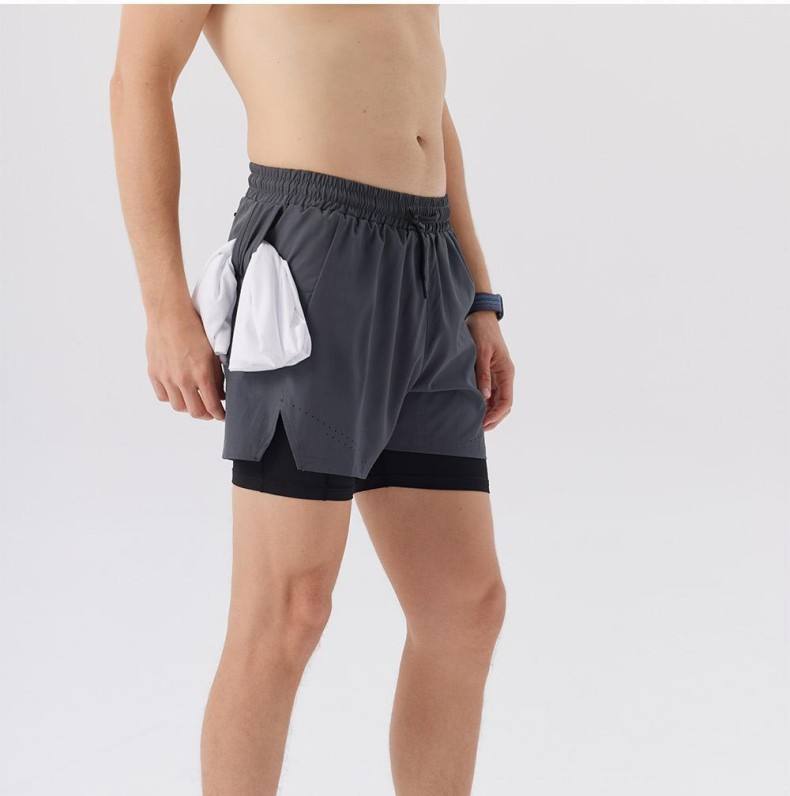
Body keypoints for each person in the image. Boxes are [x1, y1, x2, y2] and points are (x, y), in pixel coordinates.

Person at [110, 5, 514, 794]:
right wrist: (163, 307)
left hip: (430, 261)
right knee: (287, 612)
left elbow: (423, 90)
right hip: (313, 255)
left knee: (466, 607)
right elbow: (138, 80)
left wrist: (477, 294)